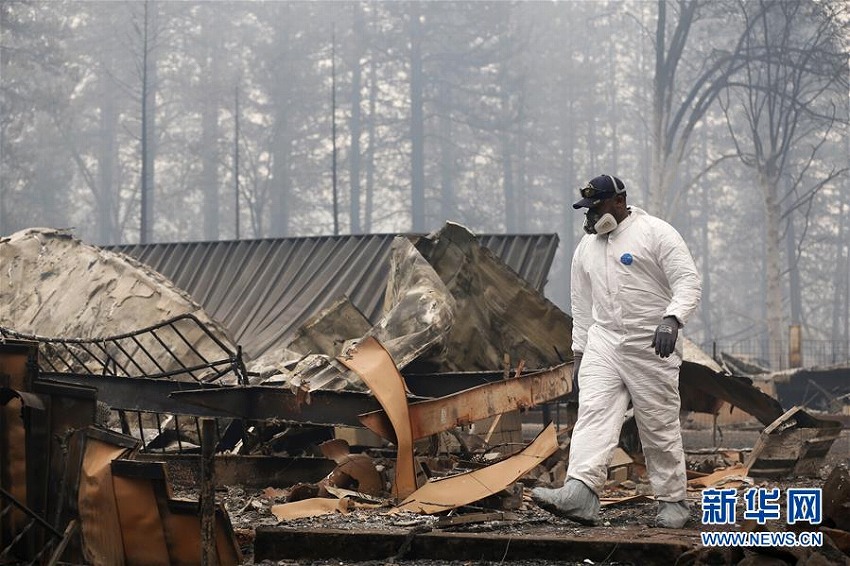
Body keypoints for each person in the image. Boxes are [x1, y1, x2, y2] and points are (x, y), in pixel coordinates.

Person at [532, 174, 701, 528]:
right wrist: (579, 354)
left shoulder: (656, 233)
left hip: (652, 343)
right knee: (593, 412)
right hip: (604, 342)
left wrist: (673, 318)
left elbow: (687, 280)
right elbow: (580, 305)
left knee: (657, 423)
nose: (590, 218)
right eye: (587, 210)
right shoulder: (587, 248)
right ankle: (580, 492)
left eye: (596, 209)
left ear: (619, 203)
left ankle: (672, 501)